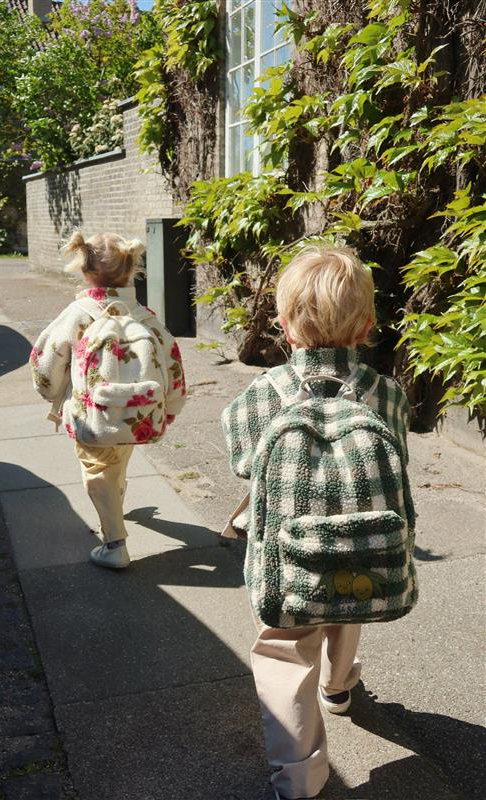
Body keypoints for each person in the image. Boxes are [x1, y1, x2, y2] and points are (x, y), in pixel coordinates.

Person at [221, 244, 412, 799]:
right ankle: (338, 685)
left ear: (283, 326)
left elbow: (242, 461)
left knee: (283, 645)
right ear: (368, 327)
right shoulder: (388, 393)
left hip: (287, 550)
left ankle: (300, 773)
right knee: (348, 593)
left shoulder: (262, 394)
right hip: (364, 541)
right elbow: (398, 455)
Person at [29, 231, 186, 569]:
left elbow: (47, 362)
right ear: (131, 271)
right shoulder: (144, 315)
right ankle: (116, 498)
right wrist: (171, 406)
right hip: (137, 415)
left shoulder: (77, 314)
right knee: (118, 458)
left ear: (84, 270)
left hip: (92, 416)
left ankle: (115, 544)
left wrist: (50, 393)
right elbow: (171, 358)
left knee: (97, 472)